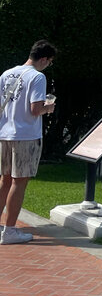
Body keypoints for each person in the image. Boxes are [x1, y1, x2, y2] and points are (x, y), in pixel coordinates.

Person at [0, 40, 57, 245]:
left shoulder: (7, 74)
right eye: (49, 61)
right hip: (25, 135)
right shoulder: (37, 77)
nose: (48, 65)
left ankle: (4, 227)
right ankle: (10, 230)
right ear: (44, 59)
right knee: (19, 181)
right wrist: (48, 108)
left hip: (5, 132)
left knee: (5, 180)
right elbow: (35, 109)